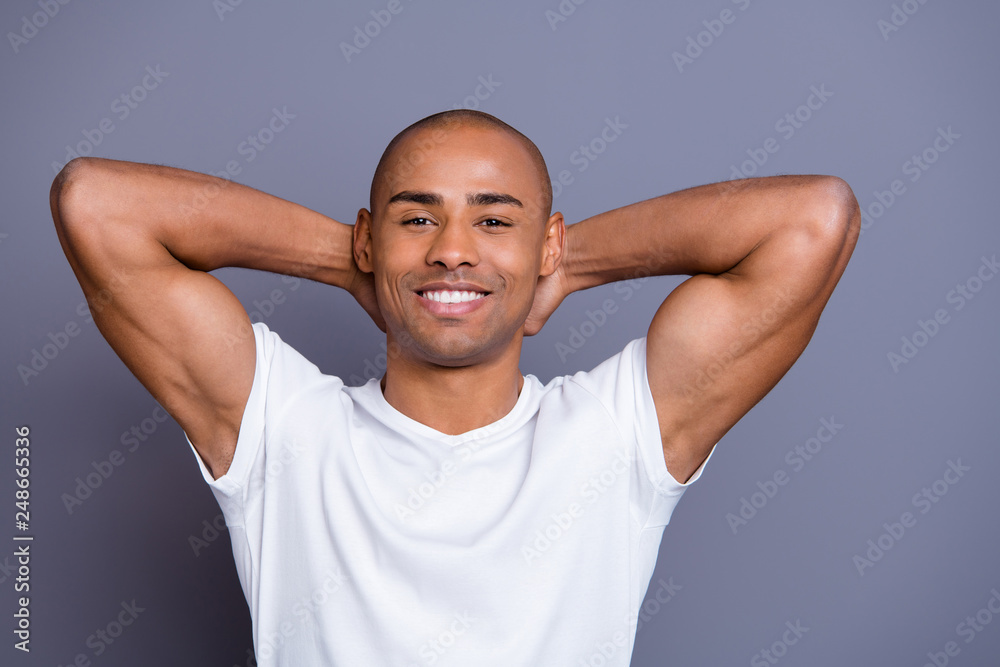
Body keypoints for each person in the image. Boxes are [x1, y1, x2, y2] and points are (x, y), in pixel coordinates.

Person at [49, 109, 859, 665]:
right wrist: (351, 260)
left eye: (494, 221)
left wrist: (567, 265)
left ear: (545, 242)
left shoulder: (616, 437)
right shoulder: (283, 432)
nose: (453, 250)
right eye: (416, 218)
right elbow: (96, 203)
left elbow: (815, 219)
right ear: (372, 236)